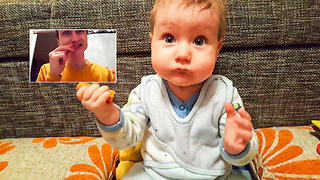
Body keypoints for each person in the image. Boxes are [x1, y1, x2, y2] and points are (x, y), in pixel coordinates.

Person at [76, 0, 258, 179]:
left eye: (199, 41)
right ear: (152, 41)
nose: (183, 54)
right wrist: (107, 115)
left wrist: (238, 146)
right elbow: (126, 141)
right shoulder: (146, 92)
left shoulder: (224, 93)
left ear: (217, 49)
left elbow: (244, 147)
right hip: (156, 173)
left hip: (214, 174)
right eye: (169, 39)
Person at [36, 30, 116, 82]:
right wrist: (53, 75)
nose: (75, 39)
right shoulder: (45, 71)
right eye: (66, 33)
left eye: (80, 31)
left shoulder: (106, 74)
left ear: (86, 36)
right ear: (59, 42)